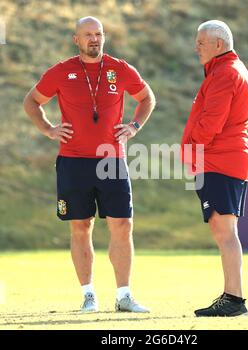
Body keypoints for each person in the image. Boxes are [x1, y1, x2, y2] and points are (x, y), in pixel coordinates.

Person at [23, 16, 156, 313]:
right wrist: (48, 129)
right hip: (73, 162)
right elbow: (32, 101)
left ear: (104, 37)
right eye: (87, 35)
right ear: (76, 40)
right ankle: (88, 295)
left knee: (123, 225)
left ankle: (124, 295)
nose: (93, 39)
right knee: (81, 226)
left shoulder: (120, 69)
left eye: (98, 34)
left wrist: (133, 126)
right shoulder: (61, 71)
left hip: (113, 160)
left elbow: (147, 97)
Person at [181, 20, 248, 317]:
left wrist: (192, 143)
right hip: (219, 160)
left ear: (219, 45)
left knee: (225, 230)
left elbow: (211, 123)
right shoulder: (224, 70)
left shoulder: (225, 74)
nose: (196, 47)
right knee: (222, 229)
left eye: (201, 42)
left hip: (221, 161)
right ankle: (231, 296)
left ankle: (234, 299)